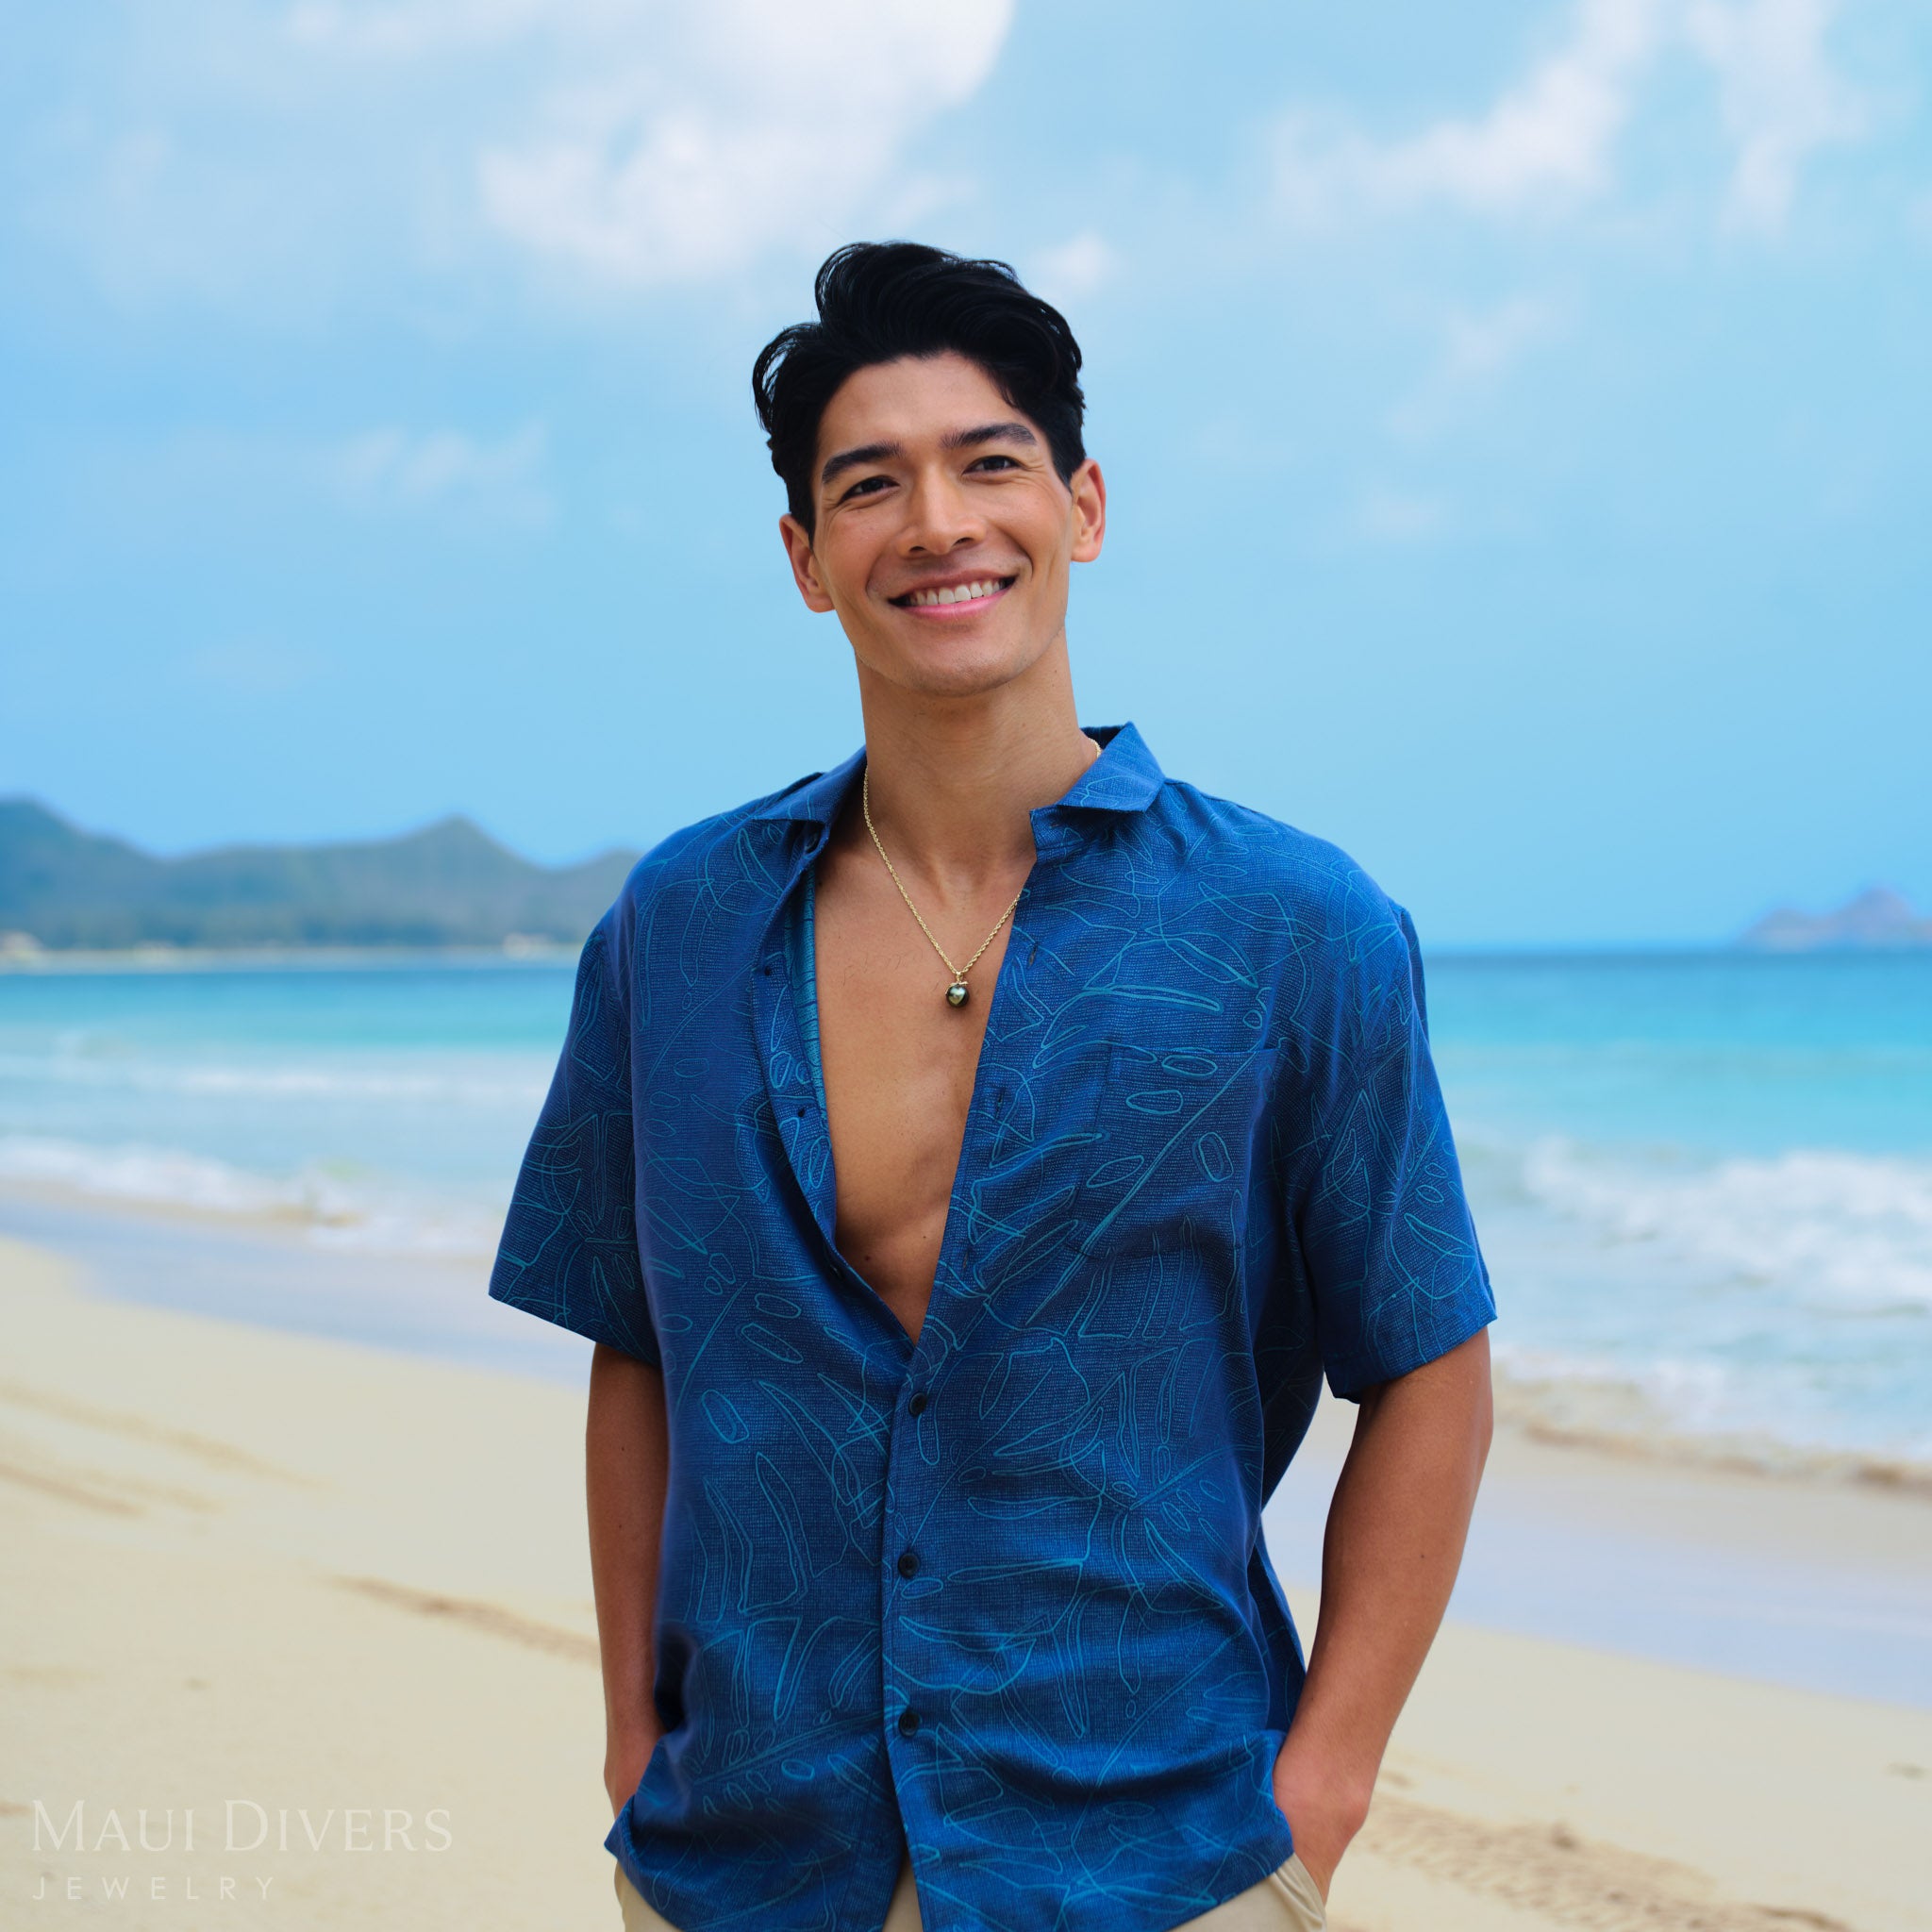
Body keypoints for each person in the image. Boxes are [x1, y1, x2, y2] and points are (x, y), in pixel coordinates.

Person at [489, 241, 1494, 1932]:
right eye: (870, 485)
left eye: (990, 463)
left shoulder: (1289, 928)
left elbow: (1434, 1366)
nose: (939, 522)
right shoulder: (677, 927)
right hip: (745, 1856)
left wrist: (1321, 1786)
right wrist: (627, 1739)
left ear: (1083, 507)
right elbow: (635, 1350)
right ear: (809, 560)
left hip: (1156, 1851)